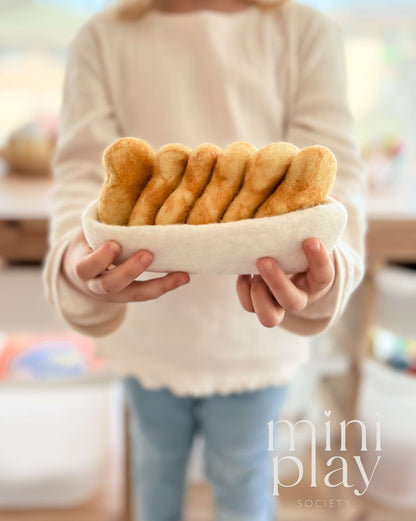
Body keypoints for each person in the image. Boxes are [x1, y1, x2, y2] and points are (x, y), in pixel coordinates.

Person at [43, 0, 366, 519]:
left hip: (257, 336)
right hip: (147, 330)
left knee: (243, 475)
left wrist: (328, 272)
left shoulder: (303, 31)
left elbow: (337, 181)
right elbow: (83, 175)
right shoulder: (103, 38)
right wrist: (77, 259)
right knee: (155, 468)